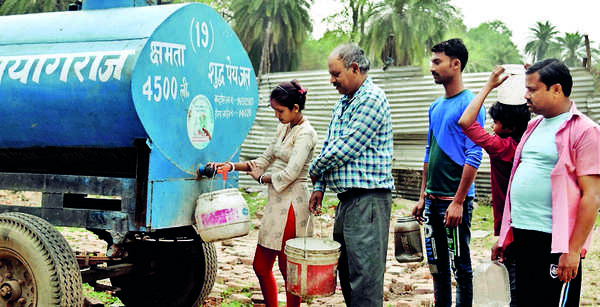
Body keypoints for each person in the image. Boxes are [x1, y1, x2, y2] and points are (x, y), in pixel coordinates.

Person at [492, 59, 600, 306]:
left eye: (532, 89)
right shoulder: (534, 126)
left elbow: (592, 196)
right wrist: (505, 238)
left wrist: (572, 251)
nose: (525, 95)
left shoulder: (584, 130)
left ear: (557, 89)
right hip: (523, 235)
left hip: (553, 241)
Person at [209, 80, 318, 307]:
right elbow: (263, 160)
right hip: (277, 202)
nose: (277, 115)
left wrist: (260, 178)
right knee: (261, 265)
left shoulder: (306, 134)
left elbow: (290, 173)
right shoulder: (284, 128)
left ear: (295, 109)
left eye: (280, 111)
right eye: (274, 111)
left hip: (294, 205)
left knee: (289, 269)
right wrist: (230, 166)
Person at [308, 43, 394, 307]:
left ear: (354, 68)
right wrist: (319, 185)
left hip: (368, 199)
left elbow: (346, 147)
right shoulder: (343, 104)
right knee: (346, 273)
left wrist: (313, 169)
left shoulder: (371, 98)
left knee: (364, 280)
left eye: (336, 74)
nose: (332, 80)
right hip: (348, 200)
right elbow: (329, 144)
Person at [411, 38, 484, 307]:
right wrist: (422, 196)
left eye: (436, 61)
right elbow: (429, 152)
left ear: (456, 64)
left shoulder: (472, 103)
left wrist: (458, 201)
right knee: (437, 268)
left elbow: (474, 155)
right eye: (432, 61)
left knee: (461, 267)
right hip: (432, 202)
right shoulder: (435, 106)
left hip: (454, 205)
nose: (431, 67)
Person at [457, 65, 531, 307]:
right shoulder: (530, 142)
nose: (492, 125)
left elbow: (466, 122)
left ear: (509, 127)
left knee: (516, 290)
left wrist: (489, 85)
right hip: (531, 226)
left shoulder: (501, 148)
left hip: (512, 227)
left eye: (496, 122)